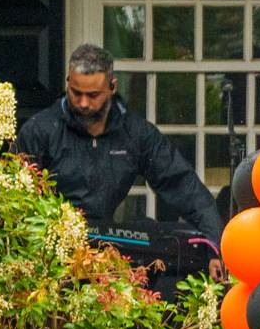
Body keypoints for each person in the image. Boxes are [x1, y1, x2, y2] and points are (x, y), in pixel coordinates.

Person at [15, 44, 227, 268]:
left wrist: (214, 244)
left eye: (93, 95)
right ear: (68, 82)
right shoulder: (39, 131)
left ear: (112, 86)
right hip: (49, 252)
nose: (83, 103)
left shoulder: (136, 134)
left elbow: (182, 184)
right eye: (76, 93)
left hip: (108, 255)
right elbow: (17, 200)